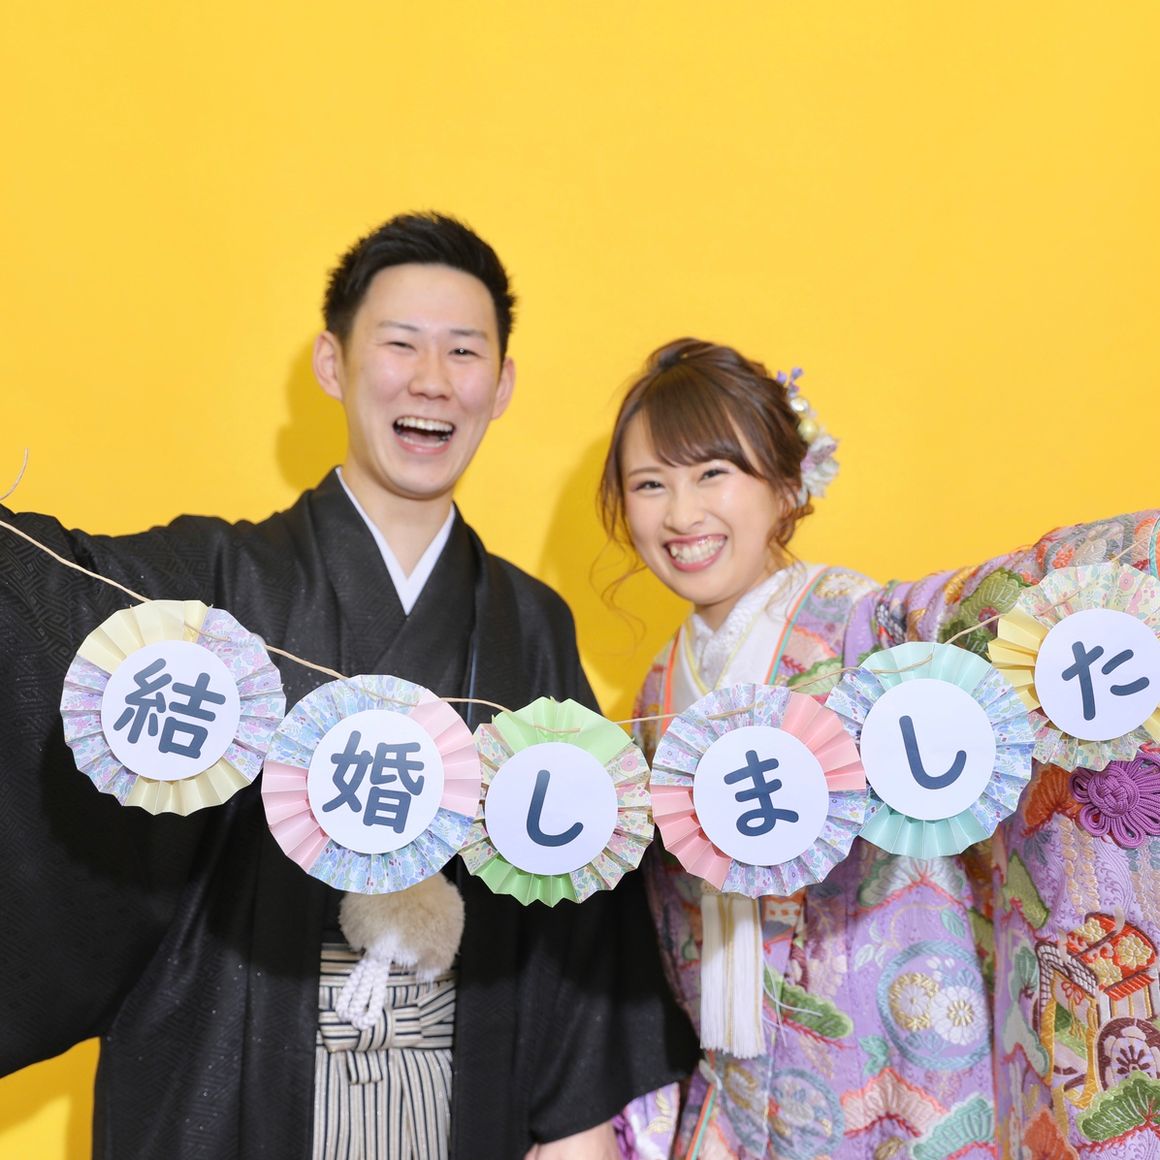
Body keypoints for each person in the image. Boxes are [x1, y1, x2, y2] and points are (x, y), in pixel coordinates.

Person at [0, 213, 696, 1160]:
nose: (432, 379)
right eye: (399, 343)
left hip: (453, 1095)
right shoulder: (217, 582)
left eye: (464, 350)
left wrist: (577, 1128)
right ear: (332, 363)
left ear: (501, 385)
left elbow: (574, 913)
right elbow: (54, 612)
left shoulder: (530, 625)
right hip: (232, 1083)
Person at [599, 337, 1160, 1158]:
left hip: (895, 1058)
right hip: (737, 1080)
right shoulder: (659, 685)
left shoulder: (860, 626)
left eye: (713, 473)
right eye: (650, 484)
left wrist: (1121, 571)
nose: (681, 514)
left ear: (786, 482)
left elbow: (979, 610)